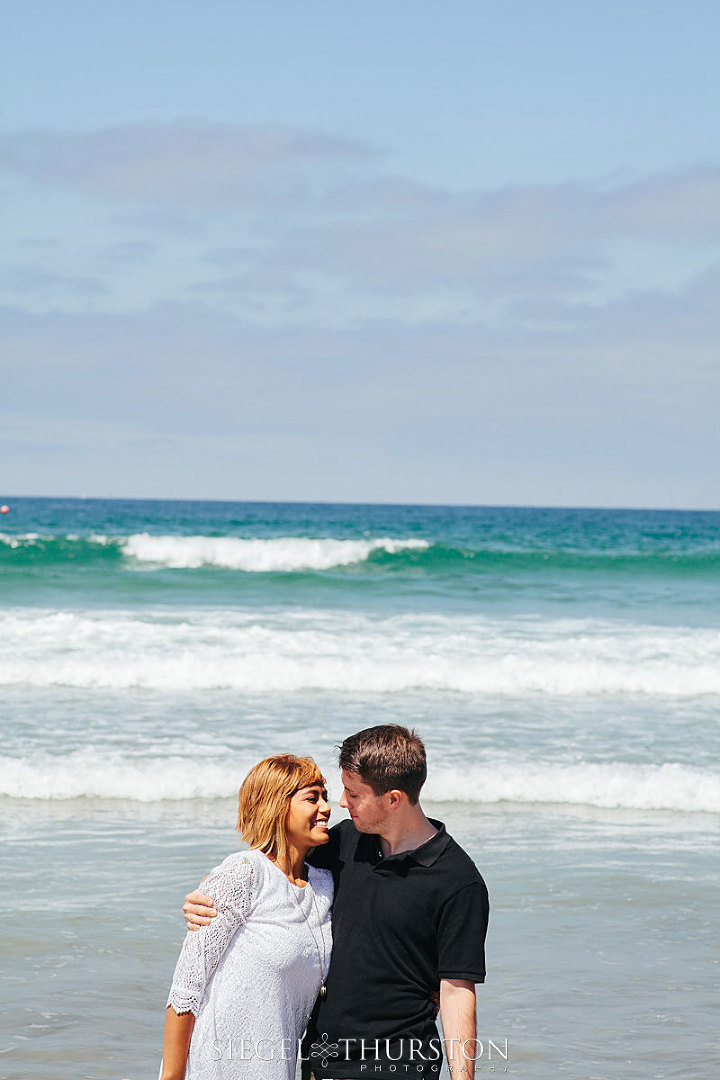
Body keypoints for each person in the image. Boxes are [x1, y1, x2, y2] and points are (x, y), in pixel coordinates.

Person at [184, 726, 489, 1079]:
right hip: (319, 1062)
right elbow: (274, 865)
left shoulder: (458, 881)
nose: (342, 803)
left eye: (353, 793)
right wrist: (211, 893)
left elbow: (456, 991)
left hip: (399, 1065)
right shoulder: (342, 844)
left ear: (392, 799)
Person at [161, 754, 333, 1080]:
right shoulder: (245, 872)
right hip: (218, 1067)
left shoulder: (325, 885)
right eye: (313, 797)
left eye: (325, 796)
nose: (326, 806)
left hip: (277, 1068)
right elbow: (186, 986)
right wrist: (172, 1076)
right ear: (276, 806)